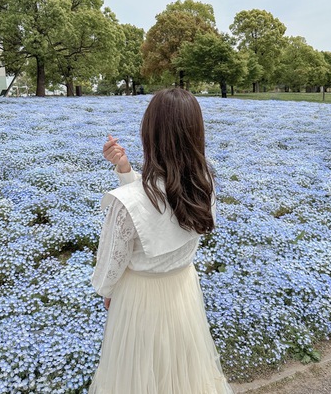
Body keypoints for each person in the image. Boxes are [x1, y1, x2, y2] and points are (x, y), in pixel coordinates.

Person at [89, 88, 234, 394]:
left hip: (139, 301)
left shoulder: (125, 202)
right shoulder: (203, 185)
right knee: (182, 375)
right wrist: (126, 172)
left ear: (149, 133)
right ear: (196, 132)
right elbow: (162, 213)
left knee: (139, 379)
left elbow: (112, 265)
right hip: (183, 293)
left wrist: (107, 291)